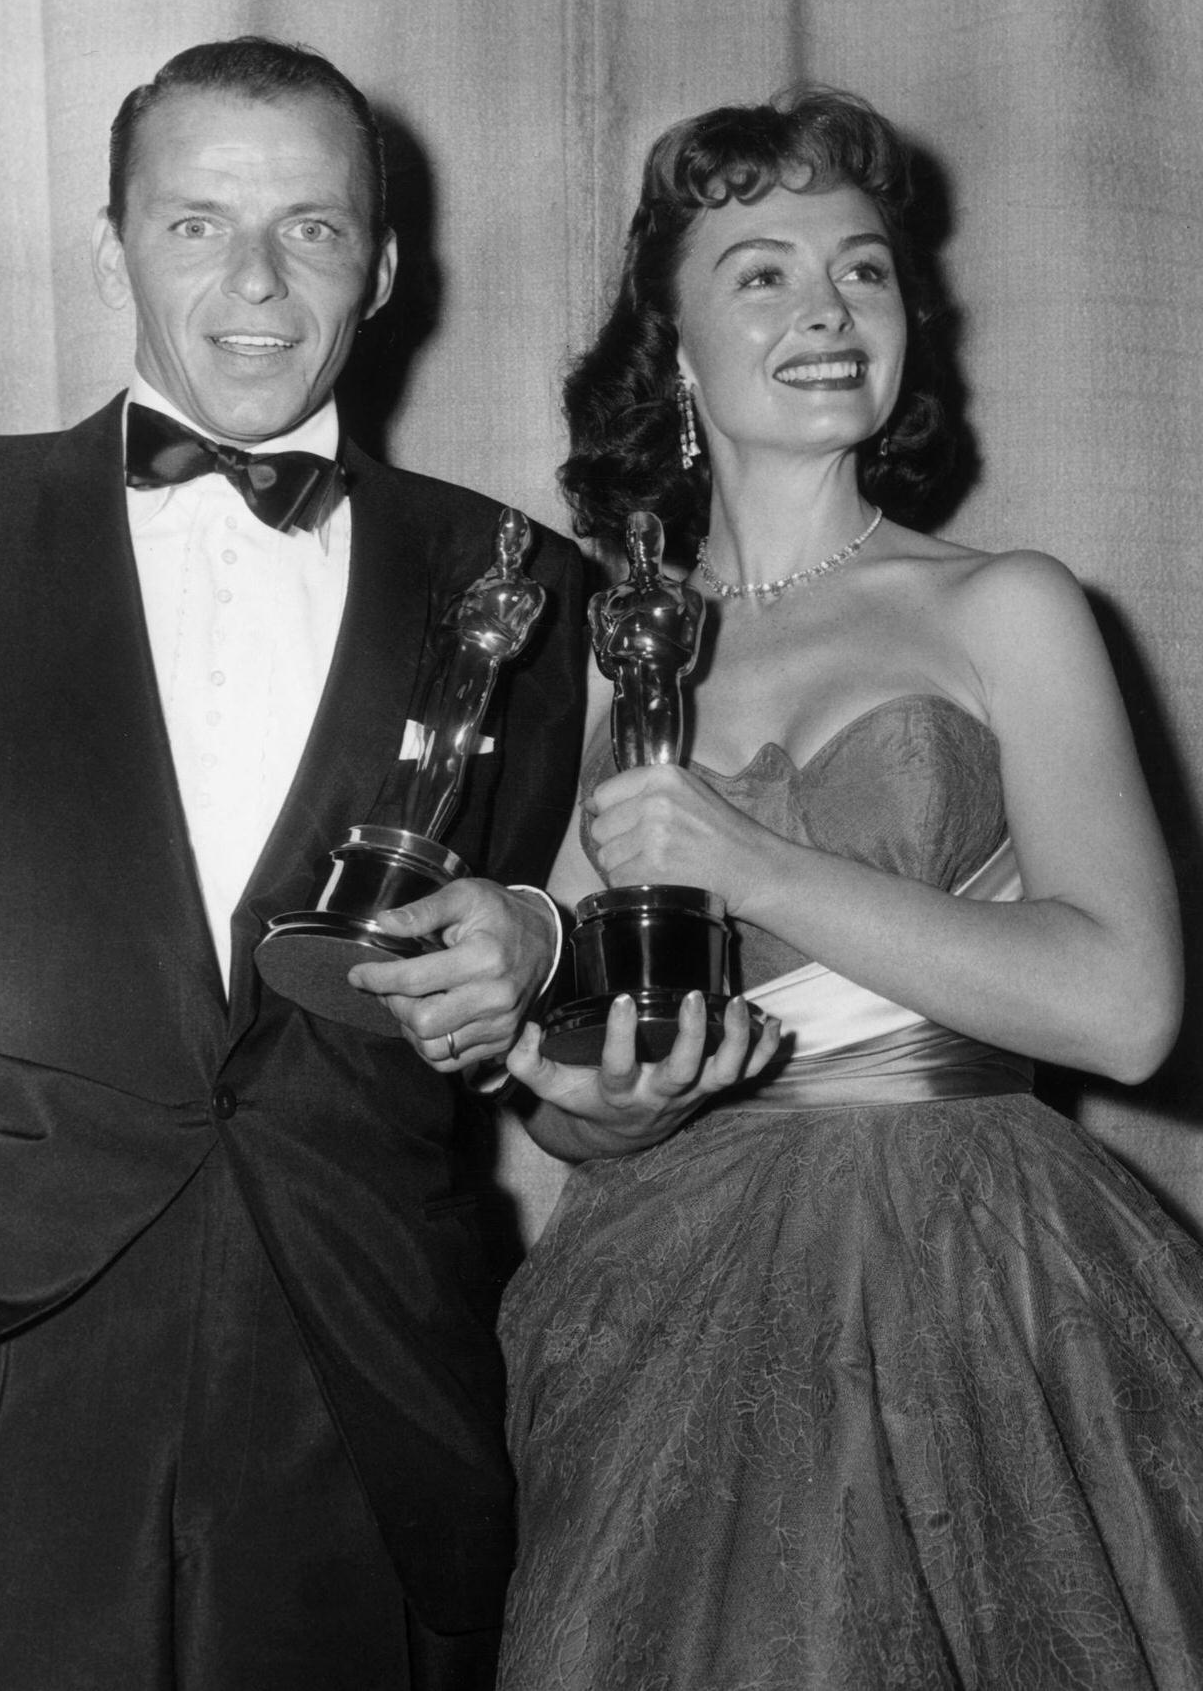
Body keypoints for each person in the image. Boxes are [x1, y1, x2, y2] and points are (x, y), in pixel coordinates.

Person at [0, 37, 588, 1690]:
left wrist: (535, 935)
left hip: (363, 1365)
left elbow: (497, 975)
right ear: (112, 251)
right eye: (195, 225)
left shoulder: (519, 579)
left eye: (311, 227)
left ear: (382, 267)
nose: (256, 281)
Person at [497, 88, 1203, 1689]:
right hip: (666, 1299)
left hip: (975, 1281)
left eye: (863, 270)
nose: (826, 308)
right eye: (762, 273)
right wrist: (597, 1103)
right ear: (674, 352)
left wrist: (755, 864)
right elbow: (571, 1096)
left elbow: (1126, 1006)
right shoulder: (620, 660)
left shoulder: (1006, 606)